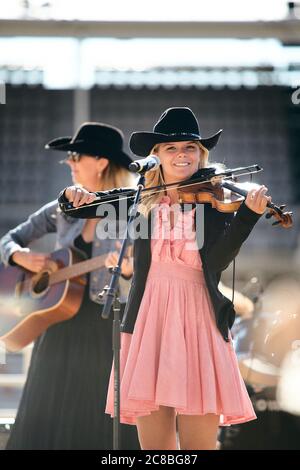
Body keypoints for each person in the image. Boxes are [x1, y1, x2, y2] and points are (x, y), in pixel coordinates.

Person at [58, 108, 271, 450]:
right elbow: (87, 206)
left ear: (200, 153)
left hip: (199, 319)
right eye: (171, 148)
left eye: (190, 147)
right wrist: (71, 195)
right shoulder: (142, 200)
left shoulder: (212, 201)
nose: (182, 154)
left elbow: (216, 261)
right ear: (155, 155)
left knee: (197, 448)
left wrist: (247, 217)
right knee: (155, 450)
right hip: (148, 321)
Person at [0, 122, 139, 450]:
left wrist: (130, 271)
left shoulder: (134, 210)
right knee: (48, 413)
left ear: (102, 161)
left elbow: (141, 273)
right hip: (56, 325)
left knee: (97, 416)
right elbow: (8, 239)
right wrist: (20, 257)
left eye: (76, 155)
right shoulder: (63, 209)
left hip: (104, 327)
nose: (69, 163)